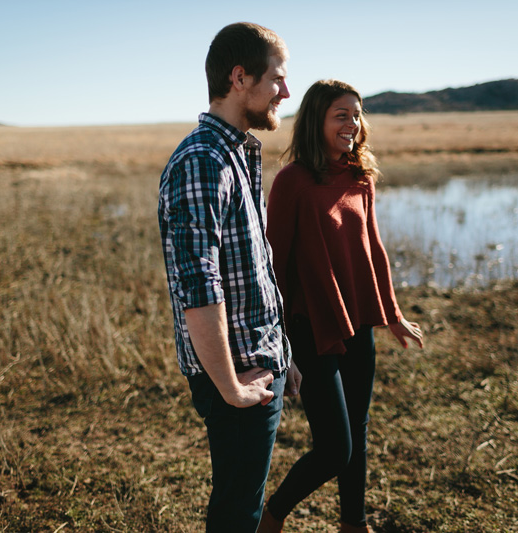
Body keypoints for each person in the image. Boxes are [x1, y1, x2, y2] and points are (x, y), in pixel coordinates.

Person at [259, 80, 424, 533]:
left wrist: (391, 314)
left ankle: (353, 524)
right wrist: (279, 338)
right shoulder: (293, 181)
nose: (352, 124)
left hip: (357, 323)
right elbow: (274, 261)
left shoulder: (360, 176)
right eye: (341, 115)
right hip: (309, 326)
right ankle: (271, 517)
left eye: (356, 115)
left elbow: (373, 246)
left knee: (359, 430)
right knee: (335, 448)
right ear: (316, 120)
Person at [157, 22, 302, 533]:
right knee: (238, 512)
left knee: (246, 498)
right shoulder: (203, 162)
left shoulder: (236, 153)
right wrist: (230, 387)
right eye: (277, 79)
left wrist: (282, 353)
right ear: (240, 78)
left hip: (258, 362)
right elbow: (199, 287)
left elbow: (255, 269)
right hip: (236, 375)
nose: (286, 92)